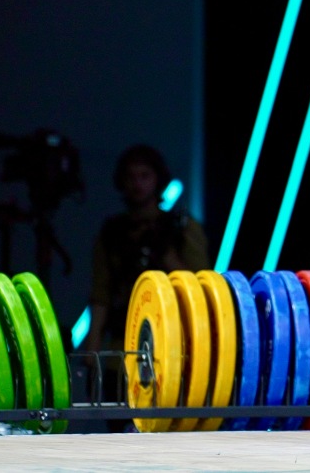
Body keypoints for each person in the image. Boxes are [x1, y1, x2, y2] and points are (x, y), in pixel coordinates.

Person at [83, 143, 211, 431]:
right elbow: (101, 292)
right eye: (131, 177)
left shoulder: (181, 227)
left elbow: (201, 288)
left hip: (175, 343)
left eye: (145, 176)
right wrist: (93, 345)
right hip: (122, 346)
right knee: (120, 428)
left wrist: (167, 257)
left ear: (157, 180)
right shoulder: (112, 232)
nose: (137, 184)